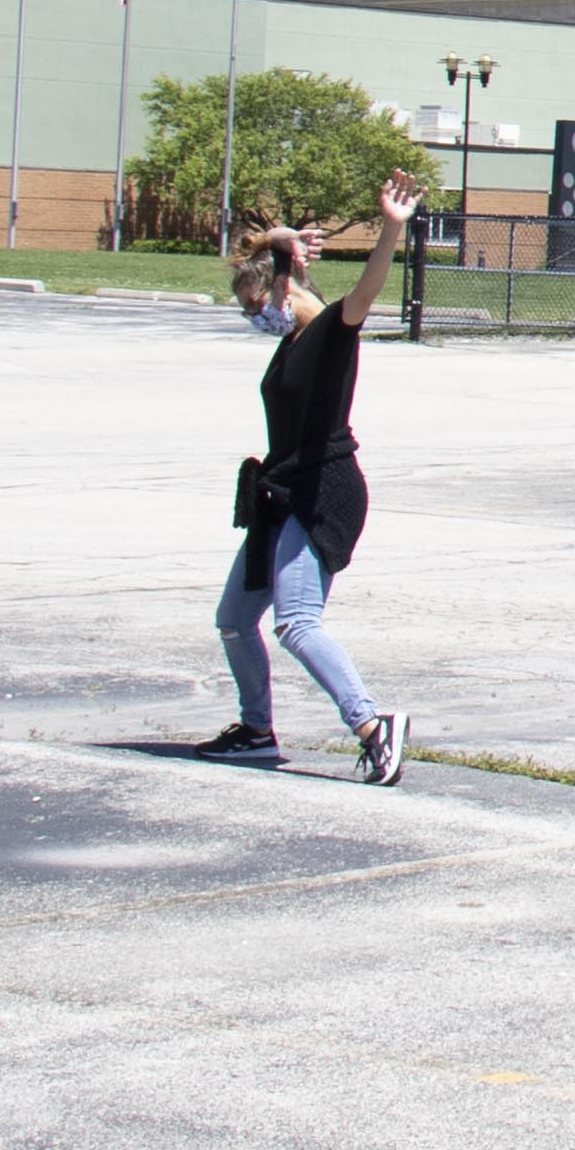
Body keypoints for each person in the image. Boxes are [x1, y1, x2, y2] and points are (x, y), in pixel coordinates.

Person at [192, 173, 425, 788]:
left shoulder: (328, 334)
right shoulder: (290, 339)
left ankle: (374, 726)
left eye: (254, 304)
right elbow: (250, 245)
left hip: (324, 490)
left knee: (295, 622)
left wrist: (391, 228)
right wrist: (279, 236)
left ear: (282, 289)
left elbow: (369, 286)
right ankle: (256, 731)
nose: (253, 317)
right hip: (282, 493)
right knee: (236, 619)